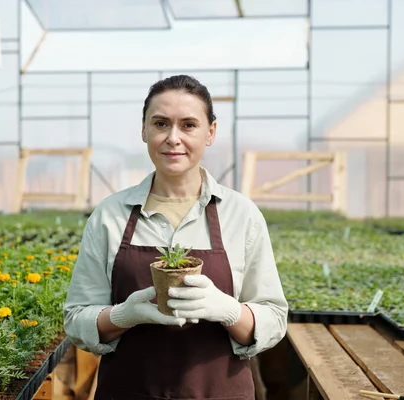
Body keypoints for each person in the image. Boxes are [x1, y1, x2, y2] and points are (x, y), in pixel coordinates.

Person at [63, 75, 288, 400]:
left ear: (210, 132)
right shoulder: (110, 215)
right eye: (160, 123)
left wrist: (229, 311)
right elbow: (76, 317)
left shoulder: (241, 215)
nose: (173, 138)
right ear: (144, 130)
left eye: (188, 125)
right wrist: (123, 315)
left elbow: (274, 316)